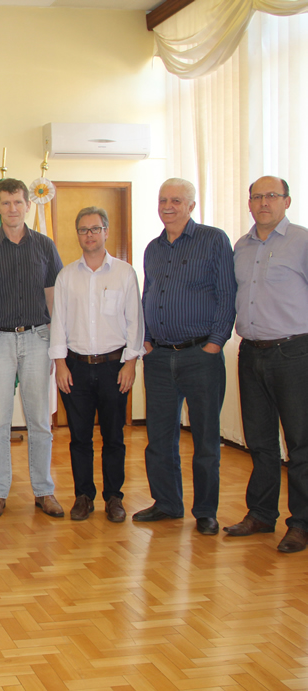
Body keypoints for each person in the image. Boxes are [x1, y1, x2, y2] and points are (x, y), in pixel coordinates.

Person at [135, 178, 235, 535]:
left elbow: (227, 294)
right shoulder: (153, 248)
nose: (168, 206)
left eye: (176, 200)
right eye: (163, 200)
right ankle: (167, 503)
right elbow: (148, 295)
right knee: (159, 438)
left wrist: (215, 343)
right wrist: (147, 340)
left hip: (200, 356)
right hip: (160, 358)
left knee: (205, 439)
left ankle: (205, 511)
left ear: (191, 206)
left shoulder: (213, 240)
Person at [0, 178, 65, 520]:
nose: (12, 208)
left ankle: (44, 491)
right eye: (6, 203)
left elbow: (54, 297)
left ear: (28, 205)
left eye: (18, 202)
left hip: (38, 338)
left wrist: (57, 344)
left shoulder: (45, 246)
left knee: (40, 420)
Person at [225, 176, 308, 553]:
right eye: (256, 196)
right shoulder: (241, 246)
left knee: (300, 443)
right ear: (249, 203)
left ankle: (301, 523)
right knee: (259, 441)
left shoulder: (301, 241)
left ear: (286, 201)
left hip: (294, 354)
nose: (263, 202)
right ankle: (261, 514)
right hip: (251, 353)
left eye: (271, 196)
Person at [49, 206, 144, 522]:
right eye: (83, 230)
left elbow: (135, 322)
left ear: (106, 232)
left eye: (95, 229)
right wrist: (60, 365)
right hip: (75, 368)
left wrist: (130, 364)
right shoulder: (66, 276)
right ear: (77, 234)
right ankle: (83, 497)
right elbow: (58, 323)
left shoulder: (124, 273)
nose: (89, 235)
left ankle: (114, 497)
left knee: (114, 437)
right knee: (80, 438)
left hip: (114, 368)